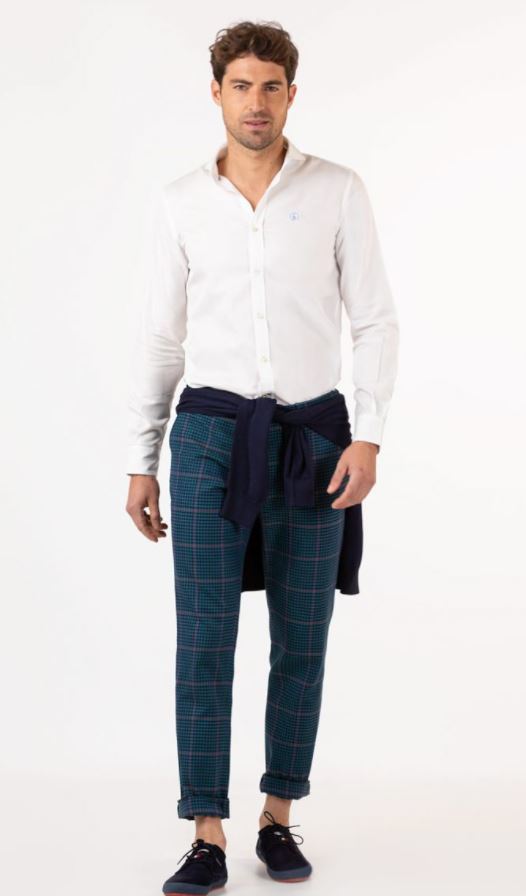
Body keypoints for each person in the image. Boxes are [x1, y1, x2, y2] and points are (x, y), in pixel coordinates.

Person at [125, 19, 399, 894]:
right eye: (240, 86)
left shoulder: (337, 190)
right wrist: (140, 459)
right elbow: (161, 339)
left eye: (271, 87)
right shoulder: (180, 202)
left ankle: (278, 816)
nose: (256, 102)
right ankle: (206, 831)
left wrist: (368, 435)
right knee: (204, 637)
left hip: (316, 440)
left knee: (302, 638)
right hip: (209, 437)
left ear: (291, 94)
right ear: (216, 92)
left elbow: (375, 320)